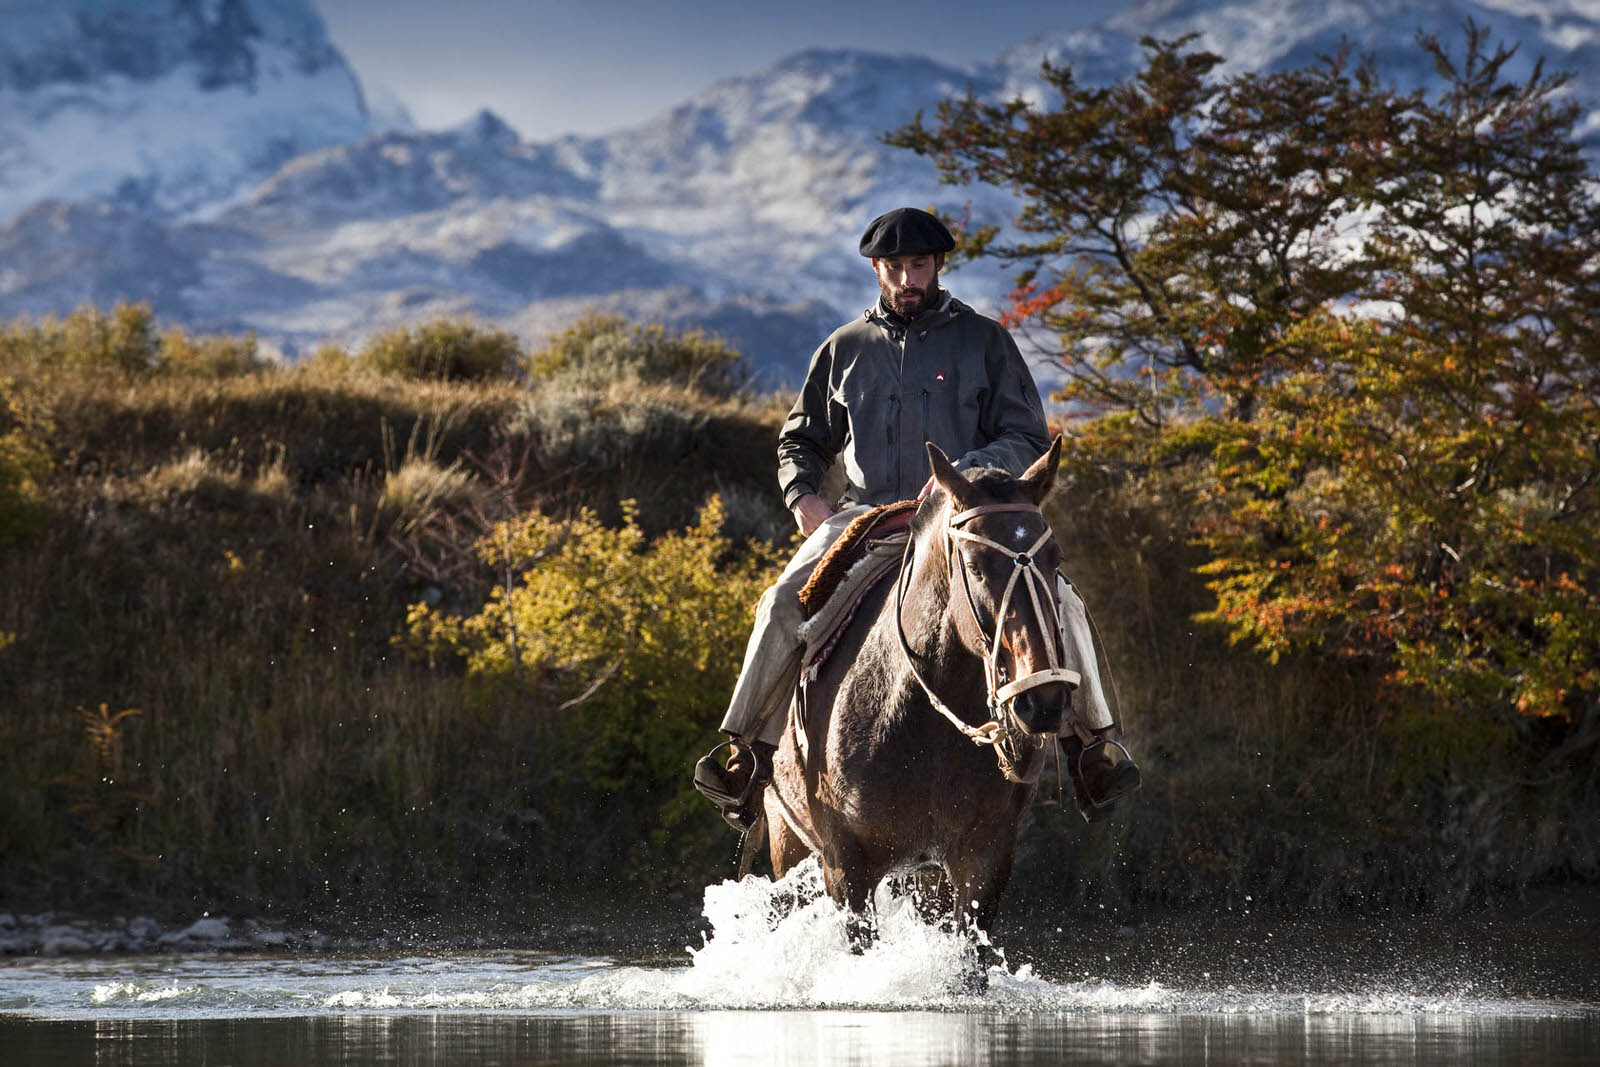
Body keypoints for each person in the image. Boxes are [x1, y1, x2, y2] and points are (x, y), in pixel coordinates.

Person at [693, 207, 1140, 831]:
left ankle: (1093, 750)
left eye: (919, 266)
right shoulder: (844, 348)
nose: (908, 279)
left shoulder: (985, 341)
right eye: (895, 267)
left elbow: (1025, 436)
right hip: (863, 522)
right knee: (780, 606)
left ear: (938, 266)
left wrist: (964, 472)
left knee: (1062, 603)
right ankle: (748, 756)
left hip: (965, 522)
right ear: (877, 269)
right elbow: (799, 441)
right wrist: (804, 499)